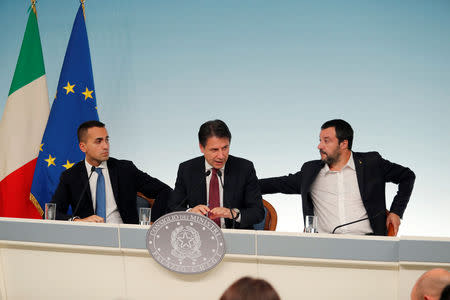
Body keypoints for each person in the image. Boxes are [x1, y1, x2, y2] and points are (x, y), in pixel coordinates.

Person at [259, 119, 415, 235]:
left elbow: (407, 176)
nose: (320, 146)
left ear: (343, 144)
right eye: (320, 140)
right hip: (323, 246)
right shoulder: (310, 171)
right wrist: (241, 184)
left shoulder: (372, 163)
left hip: (370, 243)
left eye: (326, 141)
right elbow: (277, 184)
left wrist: (396, 211)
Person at [51, 120, 172, 223]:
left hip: (125, 237)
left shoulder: (125, 169)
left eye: (107, 140)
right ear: (83, 147)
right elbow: (52, 213)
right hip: (88, 238)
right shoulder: (71, 176)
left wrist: (154, 221)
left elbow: (164, 191)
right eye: (98, 141)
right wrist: (78, 221)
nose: (106, 146)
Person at [168, 119, 264, 229]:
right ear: (201, 147)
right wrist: (190, 212)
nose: (221, 156)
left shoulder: (244, 168)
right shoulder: (187, 169)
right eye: (214, 150)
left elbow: (257, 212)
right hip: (198, 236)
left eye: (225, 148)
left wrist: (231, 213)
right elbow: (172, 208)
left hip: (235, 237)